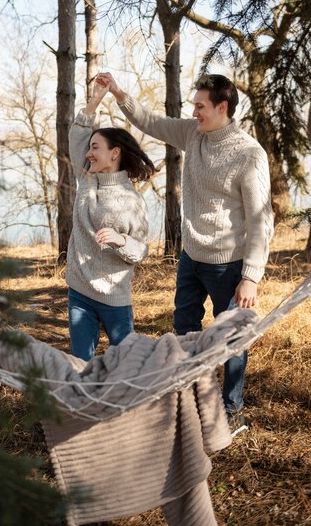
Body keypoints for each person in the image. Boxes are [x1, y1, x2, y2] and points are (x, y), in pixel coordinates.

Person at [96, 71, 274, 435]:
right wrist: (118, 93)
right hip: (191, 257)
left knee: (231, 339)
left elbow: (261, 220)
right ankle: (193, 400)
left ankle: (232, 410)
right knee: (184, 330)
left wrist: (251, 276)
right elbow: (153, 122)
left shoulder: (249, 155)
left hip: (229, 264)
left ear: (222, 107)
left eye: (200, 106)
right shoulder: (194, 134)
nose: (193, 112)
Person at [66, 79, 155, 362]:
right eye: (89, 148)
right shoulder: (87, 178)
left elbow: (141, 251)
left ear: (114, 154)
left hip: (114, 297)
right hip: (79, 290)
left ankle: (127, 407)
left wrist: (120, 240)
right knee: (81, 364)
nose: (89, 153)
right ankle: (82, 406)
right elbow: (77, 135)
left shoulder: (132, 200)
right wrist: (95, 100)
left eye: (96, 147)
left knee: (126, 365)